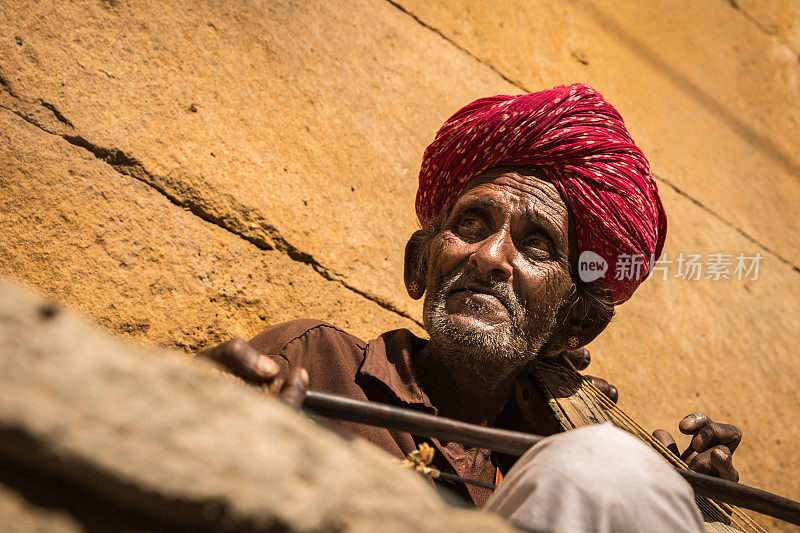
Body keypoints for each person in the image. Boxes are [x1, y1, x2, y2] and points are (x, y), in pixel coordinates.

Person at [199, 84, 743, 532]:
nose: (488, 257)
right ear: (420, 265)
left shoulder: (552, 460)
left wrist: (676, 497)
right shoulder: (316, 361)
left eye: (535, 245)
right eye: (471, 224)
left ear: (573, 324)